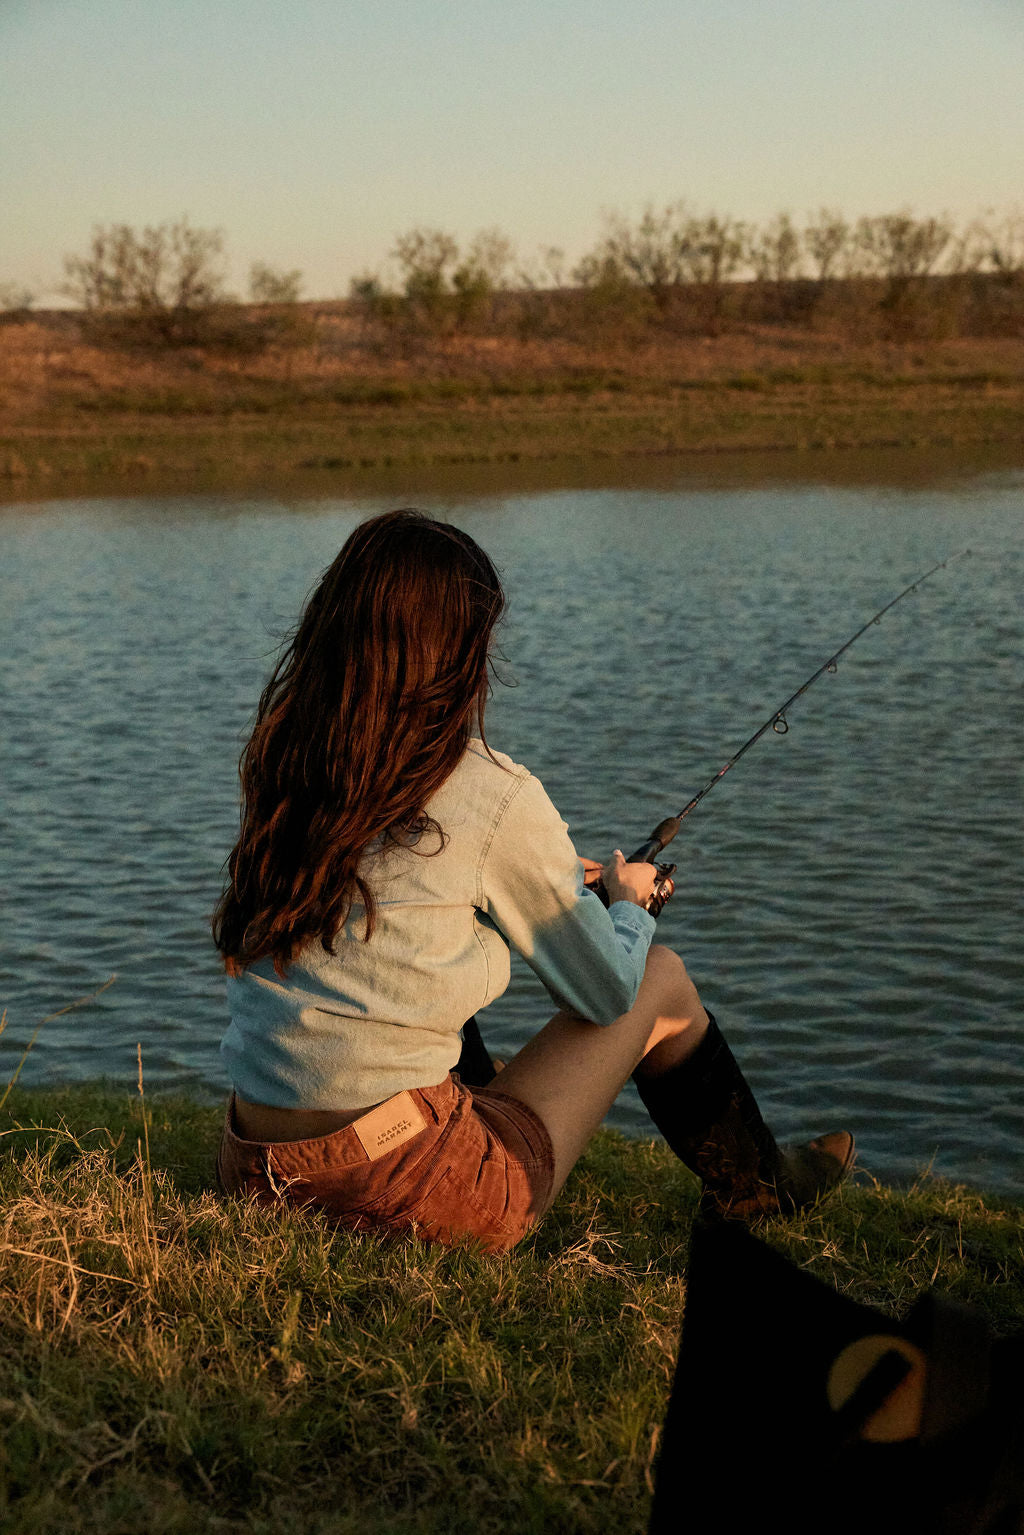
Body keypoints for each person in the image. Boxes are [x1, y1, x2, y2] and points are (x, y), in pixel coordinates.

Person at [213, 508, 853, 1253]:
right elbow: (604, 992)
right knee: (658, 979)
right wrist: (629, 906)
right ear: (462, 655)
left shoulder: (287, 762)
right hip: (398, 1190)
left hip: (258, 1170)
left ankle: (749, 1182)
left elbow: (395, 912)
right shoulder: (490, 790)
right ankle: (763, 1191)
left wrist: (542, 885)